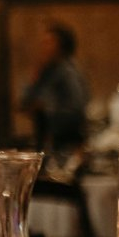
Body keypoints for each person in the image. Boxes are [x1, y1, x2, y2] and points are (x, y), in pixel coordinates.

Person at [20, 22, 91, 153]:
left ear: (61, 46)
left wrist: (45, 107)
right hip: (48, 144)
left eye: (49, 42)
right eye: (43, 43)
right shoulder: (45, 72)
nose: (43, 47)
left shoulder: (68, 72)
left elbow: (77, 107)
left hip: (66, 146)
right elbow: (25, 103)